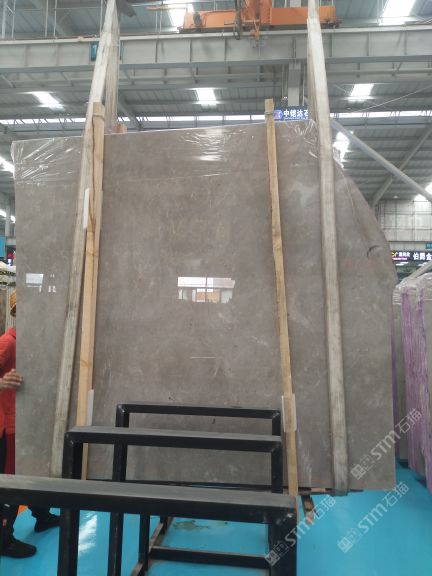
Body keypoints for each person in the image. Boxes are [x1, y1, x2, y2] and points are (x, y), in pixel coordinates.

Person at [0, 289, 59, 558]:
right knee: (12, 481)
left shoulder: (31, 343)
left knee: (34, 473)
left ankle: (42, 515)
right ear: (18, 312)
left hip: (28, 421)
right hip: (9, 426)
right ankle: (4, 539)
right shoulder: (8, 343)